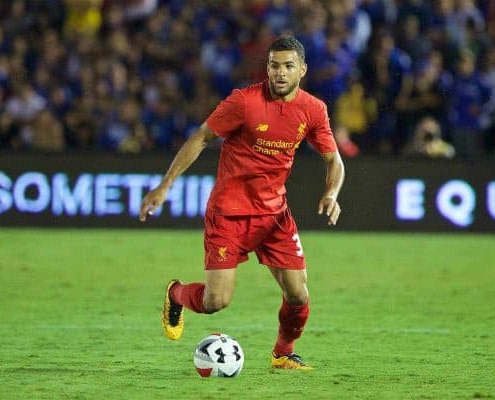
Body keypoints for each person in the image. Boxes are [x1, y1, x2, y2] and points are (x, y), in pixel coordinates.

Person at [139, 37, 345, 370]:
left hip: (274, 215)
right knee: (215, 301)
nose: (280, 73)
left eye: (288, 66)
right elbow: (201, 137)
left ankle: (282, 353)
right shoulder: (244, 102)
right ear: (267, 67)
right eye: (274, 66)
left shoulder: (313, 109)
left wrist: (332, 192)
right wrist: (165, 185)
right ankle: (176, 293)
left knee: (298, 295)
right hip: (229, 213)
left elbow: (334, 160)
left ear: (302, 70)